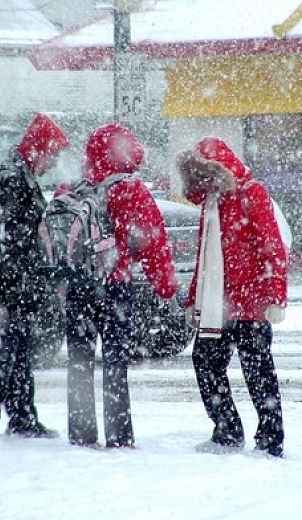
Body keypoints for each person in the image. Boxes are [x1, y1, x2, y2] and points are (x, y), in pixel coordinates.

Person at [64, 124, 177, 449]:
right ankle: (119, 436)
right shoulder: (131, 190)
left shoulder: (75, 188)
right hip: (114, 288)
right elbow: (154, 243)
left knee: (80, 363)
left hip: (78, 288)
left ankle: (82, 435)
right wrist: (166, 287)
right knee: (115, 364)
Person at [0, 112, 69, 441]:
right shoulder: (11, 179)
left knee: (17, 354)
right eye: (54, 154)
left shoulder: (20, 176)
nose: (55, 162)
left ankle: (22, 417)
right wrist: (21, 286)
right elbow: (6, 242)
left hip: (10, 289)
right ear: (39, 149)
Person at [176, 136, 288, 457]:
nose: (204, 180)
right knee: (205, 362)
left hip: (251, 305)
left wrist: (276, 298)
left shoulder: (252, 194)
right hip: (217, 307)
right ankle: (226, 430)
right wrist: (192, 302)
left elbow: (273, 248)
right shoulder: (213, 203)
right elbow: (204, 257)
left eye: (207, 173)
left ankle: (270, 440)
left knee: (258, 372)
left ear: (220, 168)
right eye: (199, 174)